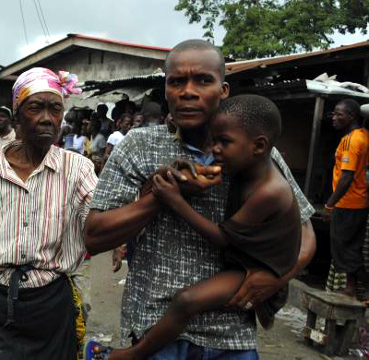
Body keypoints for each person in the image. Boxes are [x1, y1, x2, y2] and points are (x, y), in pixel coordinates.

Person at [84, 39, 316, 359]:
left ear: (223, 91)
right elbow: (93, 237)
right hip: (154, 327)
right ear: (165, 89)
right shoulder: (139, 147)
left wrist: (276, 276)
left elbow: (305, 235)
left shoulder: (256, 152)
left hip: (231, 334)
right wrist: (163, 197)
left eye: (203, 80)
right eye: (176, 81)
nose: (188, 91)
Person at [0, 67, 97, 360]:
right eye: (36, 108)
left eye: (55, 109)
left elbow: (100, 222)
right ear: (18, 114)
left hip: (52, 302)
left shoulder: (78, 169)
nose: (47, 118)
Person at [323, 99, 369, 300]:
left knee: (343, 249)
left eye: (338, 114)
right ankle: (351, 288)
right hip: (359, 202)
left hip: (348, 203)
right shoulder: (364, 136)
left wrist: (330, 204)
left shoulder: (352, 140)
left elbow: (347, 177)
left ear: (351, 116)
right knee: (351, 247)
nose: (334, 118)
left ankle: (366, 286)